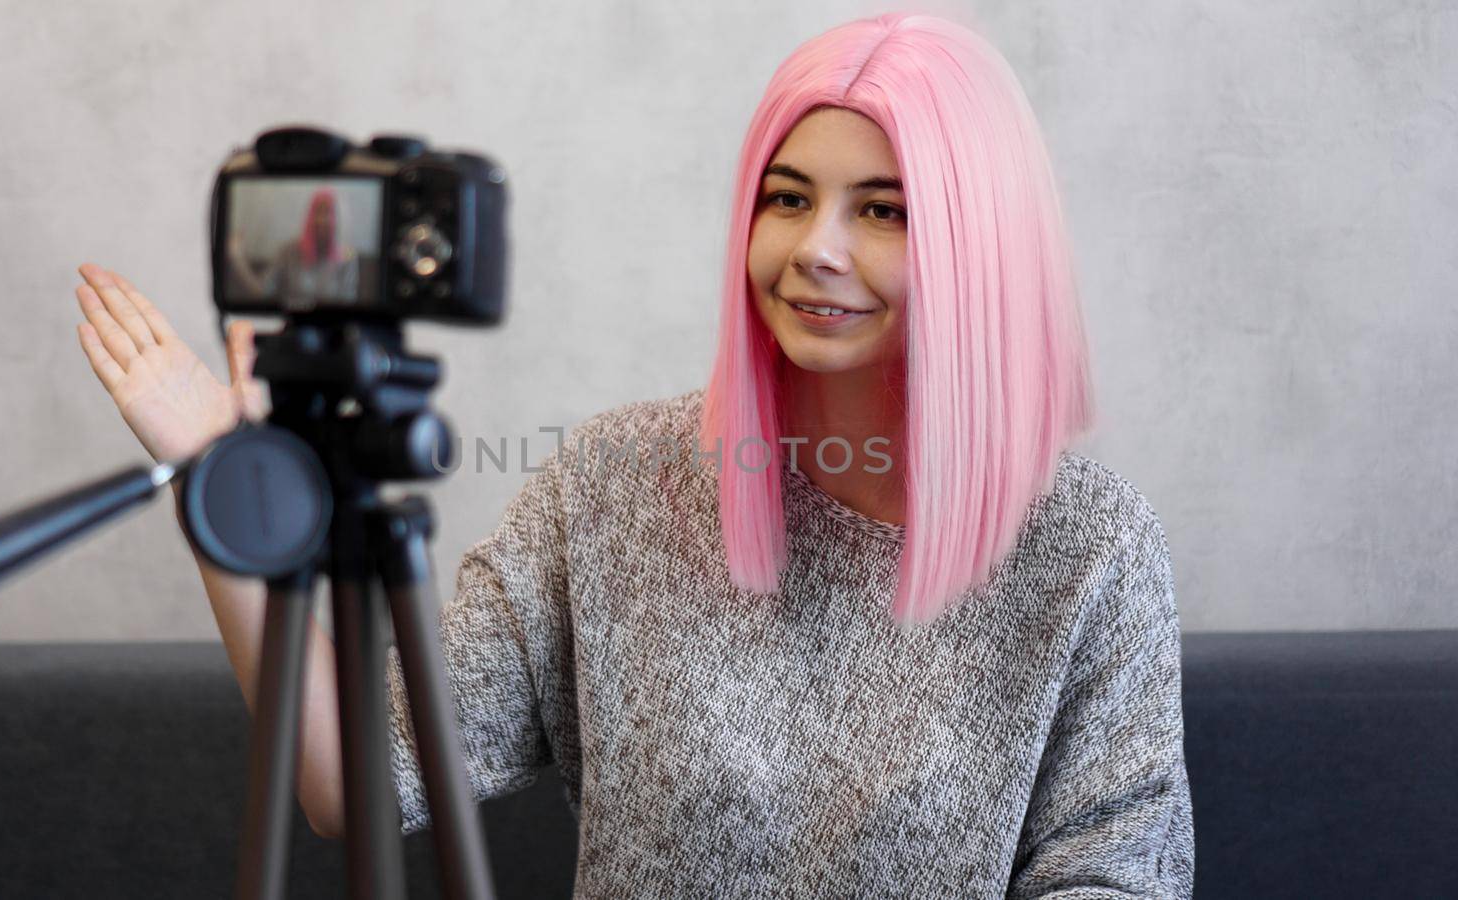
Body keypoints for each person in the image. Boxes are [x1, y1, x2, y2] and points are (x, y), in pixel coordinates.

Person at [73, 12, 1193, 897]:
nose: (816, 251)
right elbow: (351, 787)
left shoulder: (1087, 548)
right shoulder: (614, 488)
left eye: (885, 212)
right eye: (787, 198)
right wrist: (227, 491)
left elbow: (1112, 877)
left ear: (979, 244)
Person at [226, 185, 360, 303]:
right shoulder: (289, 251)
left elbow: (348, 305)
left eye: (329, 212)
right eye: (318, 211)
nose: (322, 219)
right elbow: (262, 291)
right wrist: (237, 259)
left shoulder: (348, 258)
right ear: (310, 216)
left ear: (339, 218)